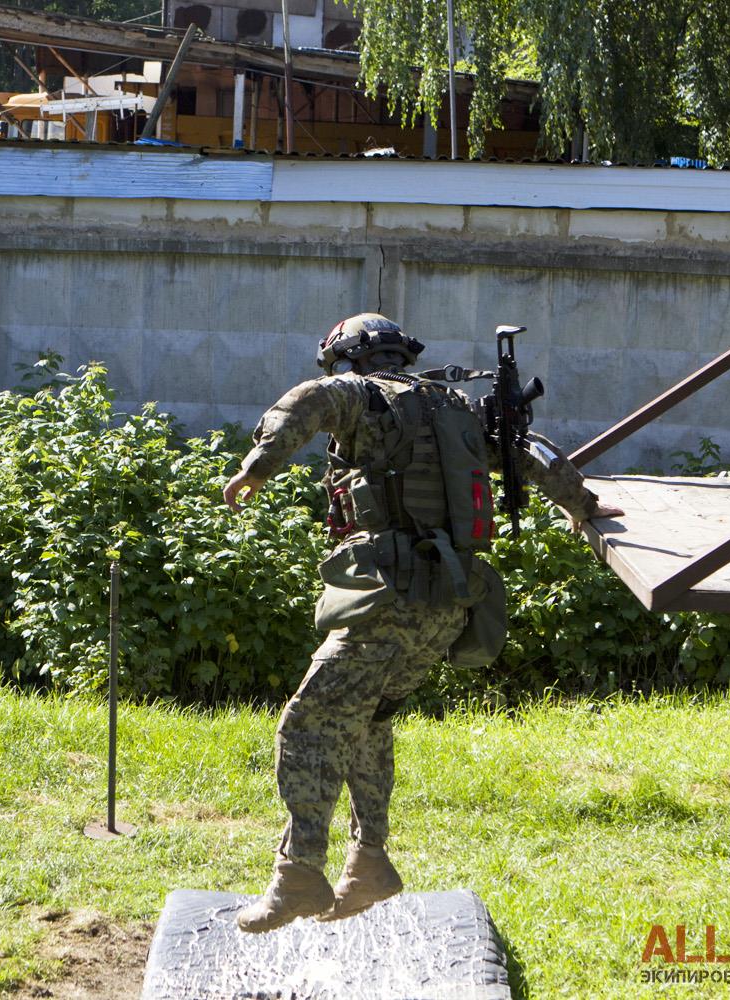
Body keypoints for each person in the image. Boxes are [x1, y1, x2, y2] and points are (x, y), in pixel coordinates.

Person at [222, 313, 624, 933]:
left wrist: (258, 464)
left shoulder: (356, 395)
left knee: (309, 723)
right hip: (450, 602)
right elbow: (528, 453)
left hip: (390, 596)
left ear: (348, 359)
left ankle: (300, 874)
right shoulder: (454, 408)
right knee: (368, 720)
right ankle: (369, 863)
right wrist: (584, 505)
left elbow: (303, 403)